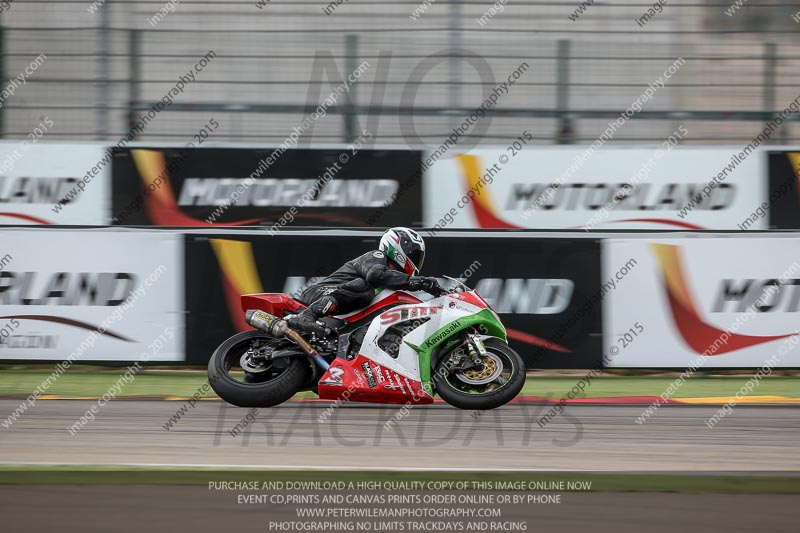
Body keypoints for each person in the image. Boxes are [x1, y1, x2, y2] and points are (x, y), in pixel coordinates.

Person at [287, 227, 445, 336]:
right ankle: (306, 316)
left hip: (338, 310)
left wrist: (441, 293)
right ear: (398, 248)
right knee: (364, 287)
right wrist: (418, 282)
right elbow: (375, 275)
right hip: (318, 293)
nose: (416, 261)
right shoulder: (377, 256)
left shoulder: (392, 281)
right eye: (414, 255)